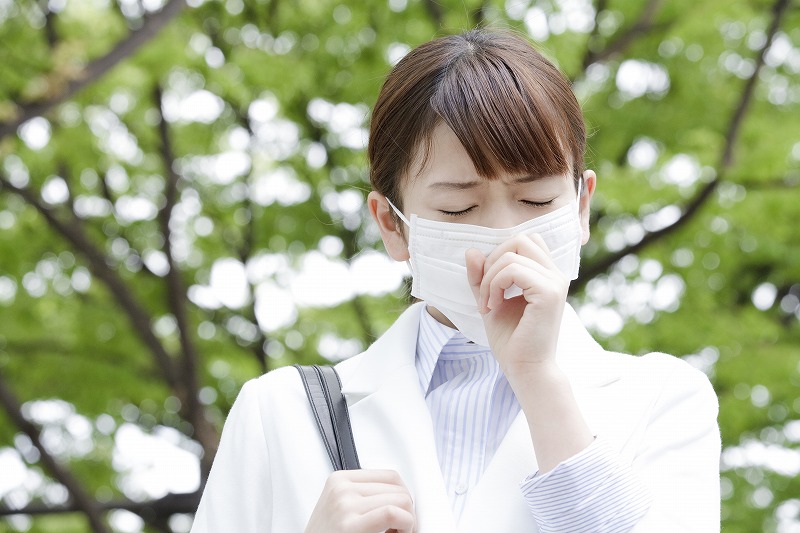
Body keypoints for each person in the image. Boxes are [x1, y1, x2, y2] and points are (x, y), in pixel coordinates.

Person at [190, 29, 720, 533]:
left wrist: (536, 376)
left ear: (581, 207)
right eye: (458, 207)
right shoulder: (280, 414)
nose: (505, 237)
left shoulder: (662, 400)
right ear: (392, 226)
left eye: (536, 201)